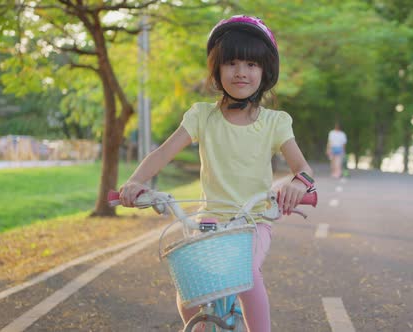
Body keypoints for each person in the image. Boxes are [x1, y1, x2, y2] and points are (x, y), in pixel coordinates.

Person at [118, 15, 314, 332]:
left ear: (265, 72)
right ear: (217, 70)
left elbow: (302, 169)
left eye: (251, 64)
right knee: (189, 291)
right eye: (232, 63)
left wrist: (298, 184)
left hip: (253, 222)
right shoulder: (201, 116)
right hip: (209, 219)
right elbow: (163, 153)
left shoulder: (276, 122)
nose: (241, 72)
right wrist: (136, 182)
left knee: (246, 275)